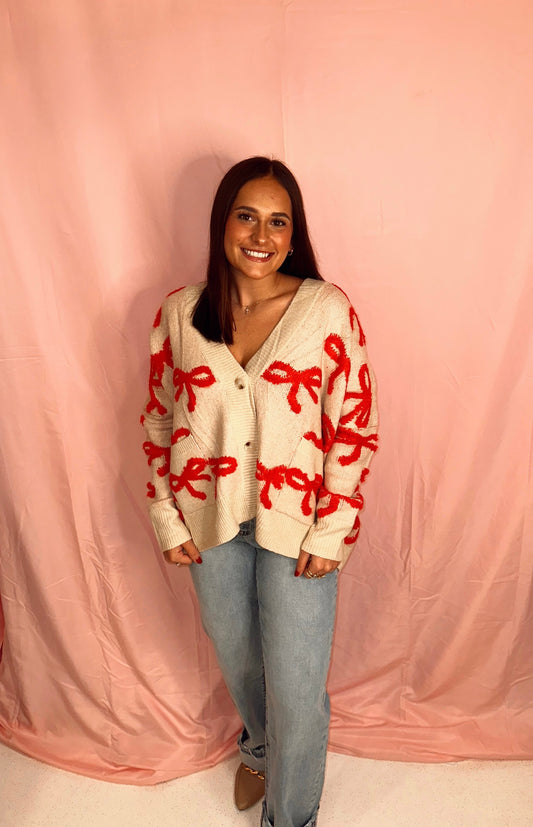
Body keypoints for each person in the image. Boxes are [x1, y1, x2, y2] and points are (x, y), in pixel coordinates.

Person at [141, 156, 378, 827]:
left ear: (294, 234)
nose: (261, 234)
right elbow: (159, 416)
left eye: (279, 221)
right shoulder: (181, 314)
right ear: (223, 222)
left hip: (298, 526)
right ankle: (260, 744)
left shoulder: (324, 311)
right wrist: (167, 515)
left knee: (297, 682)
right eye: (247, 215)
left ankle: (290, 816)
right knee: (241, 659)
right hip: (208, 522)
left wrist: (332, 529)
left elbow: (353, 425)